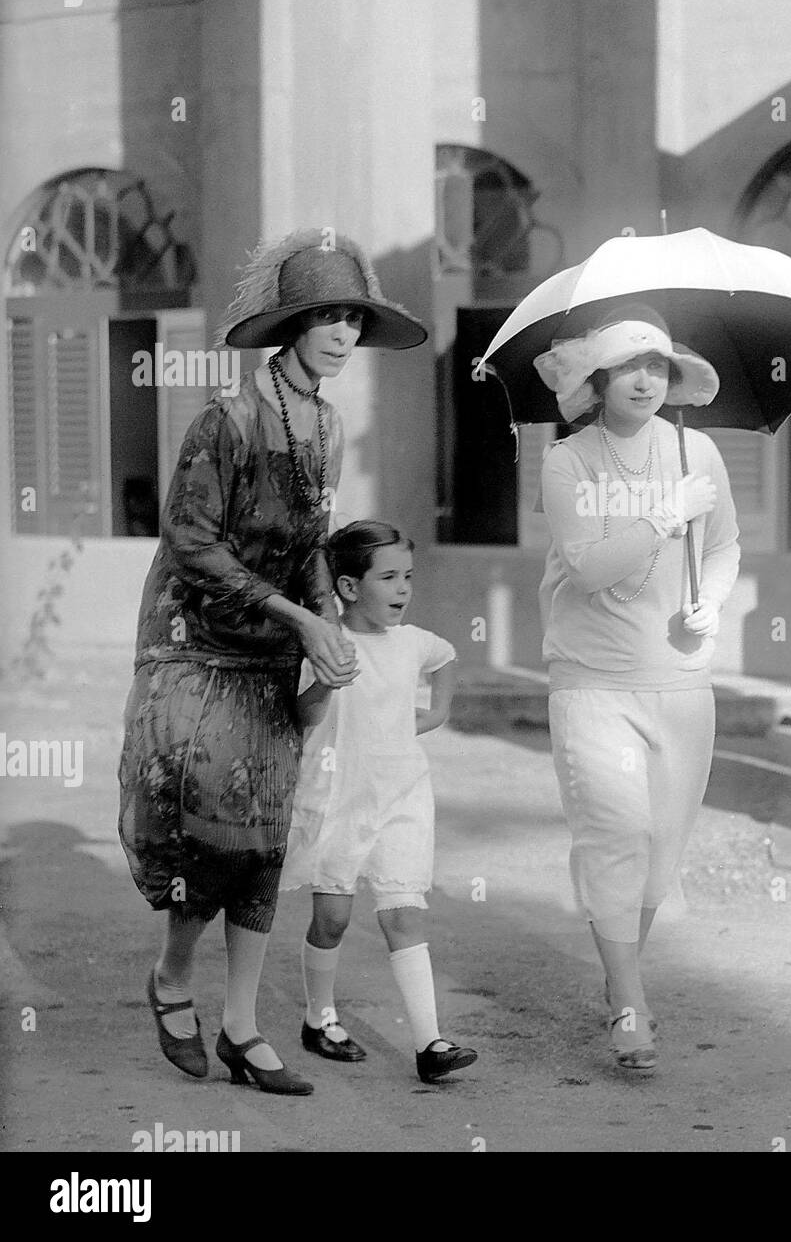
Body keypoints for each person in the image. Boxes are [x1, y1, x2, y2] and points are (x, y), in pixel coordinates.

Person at [117, 230, 428, 1094]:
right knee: (202, 834)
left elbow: (307, 547)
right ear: (289, 327)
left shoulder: (325, 426)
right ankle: (172, 976)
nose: (339, 332)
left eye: (350, 319)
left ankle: (242, 1027)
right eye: (324, 316)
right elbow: (189, 542)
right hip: (190, 646)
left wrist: (330, 626)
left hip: (267, 650)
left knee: (261, 844)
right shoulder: (229, 419)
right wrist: (298, 611)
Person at [533, 306, 740, 1073]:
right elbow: (586, 567)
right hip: (592, 682)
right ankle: (628, 1000)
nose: (645, 380)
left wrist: (710, 603)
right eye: (628, 368)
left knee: (659, 851)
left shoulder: (699, 452)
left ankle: (623, 977)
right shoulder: (566, 462)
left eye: (656, 366)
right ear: (598, 381)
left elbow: (723, 547)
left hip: (681, 681)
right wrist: (663, 516)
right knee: (614, 831)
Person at [280, 520, 477, 1085]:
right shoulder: (324, 643)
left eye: (407, 577)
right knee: (333, 918)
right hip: (339, 795)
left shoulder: (412, 642)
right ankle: (319, 1018)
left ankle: (429, 1043)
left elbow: (446, 657)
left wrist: (436, 713)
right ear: (347, 587)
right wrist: (325, 680)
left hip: (402, 795)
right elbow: (303, 715)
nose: (403, 589)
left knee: (403, 913)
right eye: (388, 577)